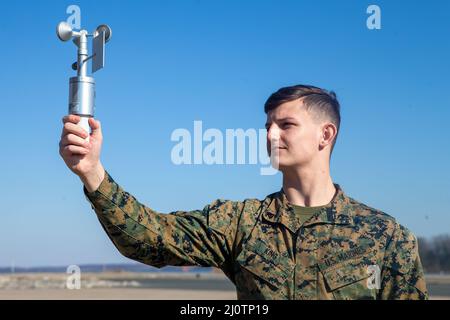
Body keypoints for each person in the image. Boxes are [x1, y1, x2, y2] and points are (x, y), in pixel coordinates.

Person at [59, 84, 428, 299]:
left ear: (325, 135)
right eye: (267, 125)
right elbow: (151, 238)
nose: (270, 135)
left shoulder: (385, 237)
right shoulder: (242, 223)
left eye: (286, 125)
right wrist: (93, 173)